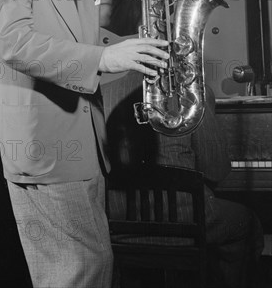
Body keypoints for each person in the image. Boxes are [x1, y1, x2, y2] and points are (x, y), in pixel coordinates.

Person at [0, 0, 181, 288]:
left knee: (94, 265)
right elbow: (12, 42)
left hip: (88, 144)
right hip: (44, 143)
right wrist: (104, 59)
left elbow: (137, 19)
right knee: (77, 271)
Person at [103, 71, 264, 288]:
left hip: (118, 219)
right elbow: (217, 170)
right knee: (246, 223)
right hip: (184, 217)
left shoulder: (104, 91)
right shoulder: (194, 93)